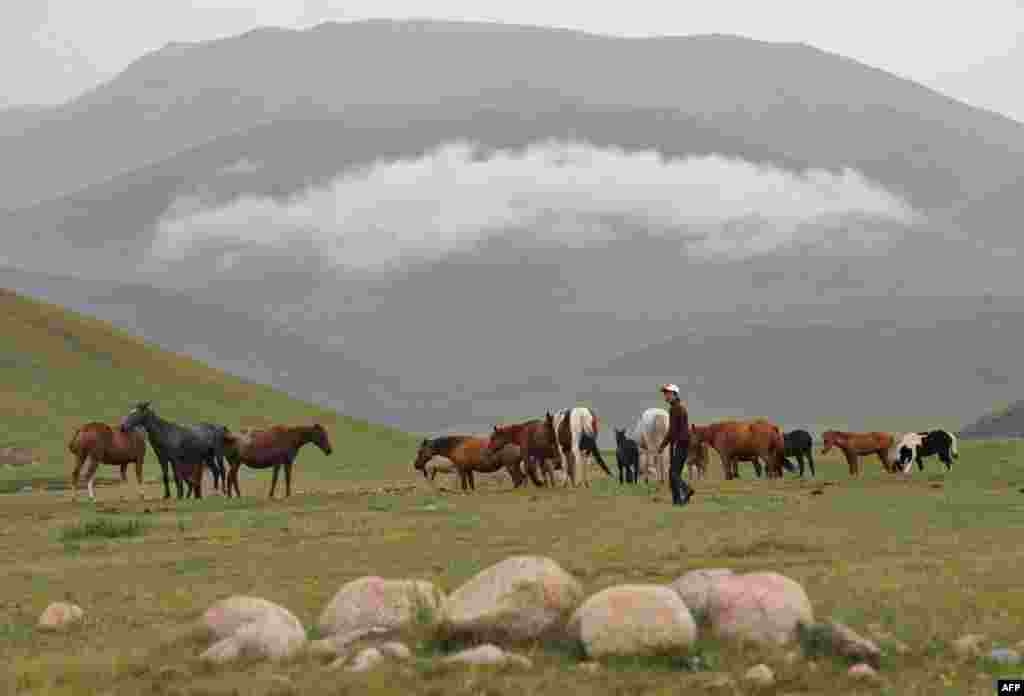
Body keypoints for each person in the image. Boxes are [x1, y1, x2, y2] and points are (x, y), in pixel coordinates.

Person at [657, 383, 694, 506]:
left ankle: (687, 490)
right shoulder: (678, 407)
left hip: (680, 444)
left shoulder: (675, 409)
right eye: (665, 393)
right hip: (682, 443)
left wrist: (662, 445)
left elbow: (672, 431)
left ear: (674, 394)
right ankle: (677, 501)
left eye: (668, 393)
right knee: (674, 474)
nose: (665, 396)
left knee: (673, 473)